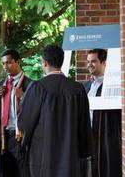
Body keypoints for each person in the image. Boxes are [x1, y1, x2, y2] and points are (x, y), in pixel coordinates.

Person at [18, 45, 93, 177]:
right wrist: (83, 152)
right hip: (70, 155)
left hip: (42, 156)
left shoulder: (37, 87)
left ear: (45, 63)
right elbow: (84, 125)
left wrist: (24, 145)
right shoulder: (77, 89)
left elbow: (25, 122)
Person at [0, 49, 32, 177]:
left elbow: (36, 112)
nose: (6, 66)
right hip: (4, 137)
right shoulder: (1, 84)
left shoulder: (30, 85)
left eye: (9, 63)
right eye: (3, 63)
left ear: (18, 62)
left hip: (22, 137)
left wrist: (23, 98)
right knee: (6, 171)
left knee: (23, 171)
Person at [83, 49, 122, 177]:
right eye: (88, 61)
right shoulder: (85, 86)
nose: (89, 64)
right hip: (88, 135)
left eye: (93, 61)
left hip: (106, 135)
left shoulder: (113, 85)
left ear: (104, 62)